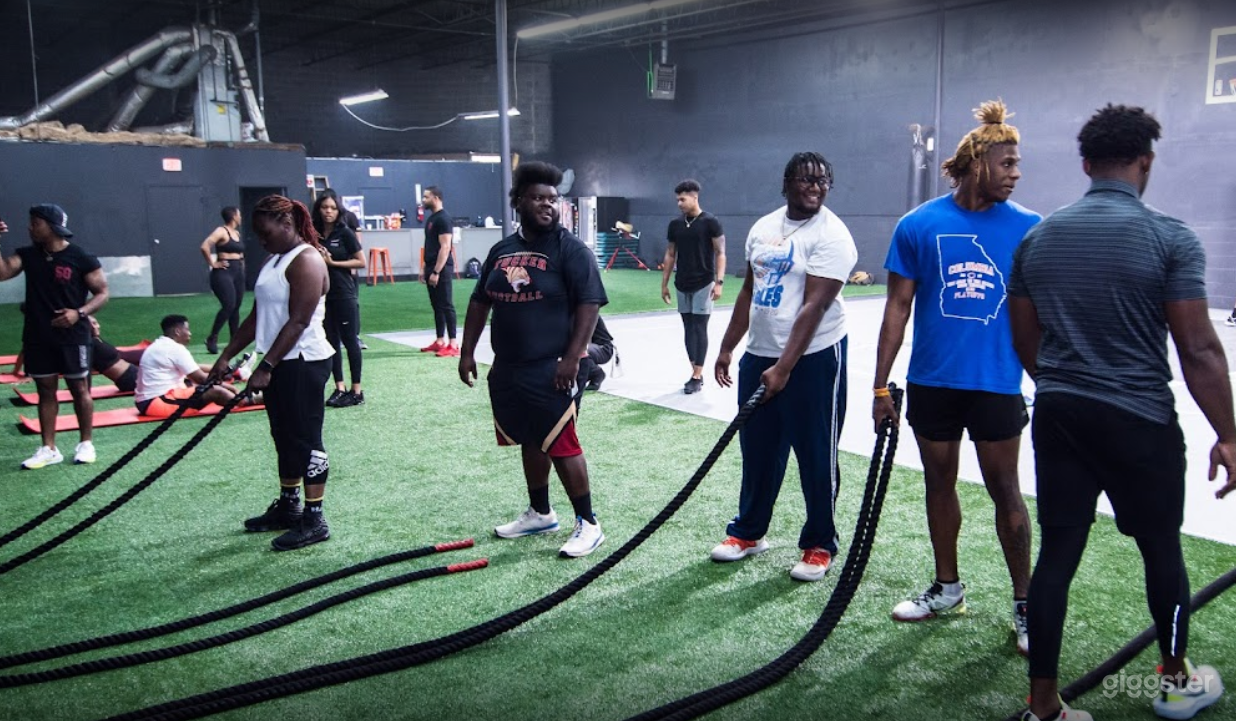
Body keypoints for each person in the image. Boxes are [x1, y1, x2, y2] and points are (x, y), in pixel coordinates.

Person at [1009, 104, 1236, 721]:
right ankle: (1175, 682)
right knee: (1162, 550)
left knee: (1057, 554)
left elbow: (1024, 337)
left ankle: (1043, 705)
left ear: (1086, 165)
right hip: (1139, 420)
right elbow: (1198, 348)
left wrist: (1063, 383)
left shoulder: (1038, 238)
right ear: (1145, 162)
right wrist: (1228, 434)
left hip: (1059, 414)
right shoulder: (1170, 238)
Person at [873, 100, 1040, 654]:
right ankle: (947, 588)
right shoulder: (918, 225)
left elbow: (1043, 311)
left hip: (997, 383)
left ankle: (1026, 604)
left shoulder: (1030, 229)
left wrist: (1049, 378)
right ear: (977, 163)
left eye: (1017, 164)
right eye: (1007, 164)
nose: (1016, 174)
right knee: (938, 483)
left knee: (1005, 490)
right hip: (933, 382)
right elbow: (897, 309)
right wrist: (880, 385)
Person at [711, 152, 857, 582]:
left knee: (815, 454)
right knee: (758, 450)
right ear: (787, 182)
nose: (816, 187)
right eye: (806, 179)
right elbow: (749, 291)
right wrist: (728, 347)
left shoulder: (833, 235)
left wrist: (784, 367)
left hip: (814, 358)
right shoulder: (763, 228)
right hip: (761, 353)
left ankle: (819, 544)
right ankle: (749, 533)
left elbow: (815, 306)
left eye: (823, 181)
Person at [458, 161, 609, 559]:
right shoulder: (502, 250)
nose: (547, 205)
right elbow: (479, 301)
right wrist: (467, 351)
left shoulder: (571, 250)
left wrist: (573, 358)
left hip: (553, 365)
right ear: (519, 202)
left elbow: (590, 304)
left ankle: (589, 523)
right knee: (530, 437)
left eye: (552, 199)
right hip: (509, 366)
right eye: (538, 198)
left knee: (561, 442)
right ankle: (541, 513)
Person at [209, 194, 334, 552]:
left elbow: (299, 321)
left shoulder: (307, 260)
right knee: (283, 435)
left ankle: (315, 519)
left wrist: (265, 366)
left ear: (287, 223)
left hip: (303, 362)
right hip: (281, 361)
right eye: (258, 235)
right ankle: (289, 506)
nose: (261, 241)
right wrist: (226, 356)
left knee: (306, 440)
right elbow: (257, 316)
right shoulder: (274, 259)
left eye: (266, 233)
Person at [0, 204, 109, 469]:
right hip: (38, 335)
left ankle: (86, 444)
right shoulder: (27, 255)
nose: (30, 228)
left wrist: (78, 313)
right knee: (45, 391)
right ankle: (49, 448)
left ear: (52, 226)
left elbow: (103, 293)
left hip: (73, 336)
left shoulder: (81, 257)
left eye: (35, 223)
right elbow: (2, 272)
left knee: (79, 390)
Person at [661, 179, 726, 394]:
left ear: (694, 197)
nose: (679, 203)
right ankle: (694, 370)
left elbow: (720, 253)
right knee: (688, 328)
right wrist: (664, 284)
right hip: (682, 283)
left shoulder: (710, 222)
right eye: (677, 200)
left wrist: (719, 282)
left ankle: (697, 375)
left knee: (699, 327)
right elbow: (670, 254)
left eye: (682, 199)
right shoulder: (675, 225)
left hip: (704, 283)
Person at [313, 193, 366, 407]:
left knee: (350, 340)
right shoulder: (314, 234)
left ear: (338, 211)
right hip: (323, 295)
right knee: (331, 341)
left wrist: (333, 263)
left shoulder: (344, 233)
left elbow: (361, 262)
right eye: (324, 207)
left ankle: (357, 391)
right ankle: (339, 388)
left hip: (344, 293)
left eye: (332, 208)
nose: (328, 211)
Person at [134, 315, 235, 416]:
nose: (190, 333)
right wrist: (230, 387)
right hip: (157, 403)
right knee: (215, 391)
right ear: (177, 331)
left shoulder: (160, 344)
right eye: (187, 329)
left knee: (192, 385)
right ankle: (242, 400)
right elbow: (201, 379)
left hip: (146, 402)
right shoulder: (175, 349)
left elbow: (194, 369)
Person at [419, 186, 459, 357]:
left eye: (426, 197)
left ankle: (453, 344)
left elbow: (445, 247)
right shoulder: (432, 219)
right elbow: (430, 246)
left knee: (446, 304)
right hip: (431, 266)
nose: (423, 200)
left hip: (441, 268)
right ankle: (440, 340)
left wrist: (436, 271)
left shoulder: (443, 219)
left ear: (435, 198)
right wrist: (424, 268)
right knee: (436, 306)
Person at [200, 206, 246, 355]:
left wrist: (242, 268)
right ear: (234, 216)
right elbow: (205, 246)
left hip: (237, 272)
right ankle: (212, 337)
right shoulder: (221, 231)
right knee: (229, 305)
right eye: (239, 214)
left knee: (236, 306)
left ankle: (234, 341)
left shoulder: (237, 233)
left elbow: (240, 254)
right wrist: (213, 263)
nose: (240, 217)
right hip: (223, 272)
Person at [88, 315, 141, 392]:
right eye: (90, 324)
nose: (95, 327)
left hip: (133, 373)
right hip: (130, 380)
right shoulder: (89, 344)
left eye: (95, 323)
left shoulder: (97, 340)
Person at [578, 315, 615, 392]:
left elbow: (585, 338)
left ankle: (596, 373)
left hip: (603, 347)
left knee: (579, 349)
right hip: (589, 346)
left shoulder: (586, 312)